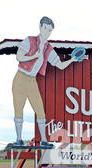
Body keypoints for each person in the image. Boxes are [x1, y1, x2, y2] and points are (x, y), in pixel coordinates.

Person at [12, 16, 78, 147]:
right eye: (46, 29)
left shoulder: (49, 48)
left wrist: (72, 60)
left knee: (40, 110)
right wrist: (34, 56)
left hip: (32, 80)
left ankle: (44, 140)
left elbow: (59, 65)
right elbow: (18, 56)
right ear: (40, 27)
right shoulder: (29, 41)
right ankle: (18, 139)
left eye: (50, 30)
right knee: (19, 109)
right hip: (20, 77)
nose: (47, 32)